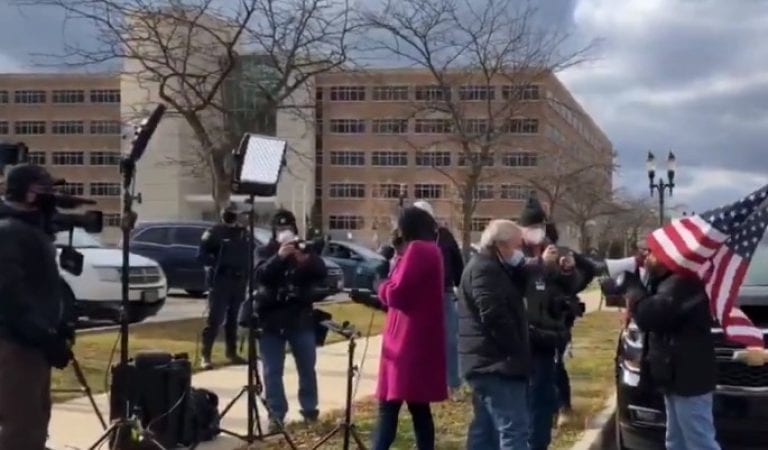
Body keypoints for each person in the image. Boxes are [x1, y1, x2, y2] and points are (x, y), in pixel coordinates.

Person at [0, 164, 73, 449]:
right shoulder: (9, 232)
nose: (52, 196)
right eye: (46, 190)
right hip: (15, 345)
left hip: (33, 344)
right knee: (22, 428)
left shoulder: (31, 230)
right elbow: (9, 297)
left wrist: (61, 323)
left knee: (37, 419)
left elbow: (42, 287)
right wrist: (44, 336)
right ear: (30, 194)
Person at [625, 247, 719, 450]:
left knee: (699, 441)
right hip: (675, 377)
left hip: (689, 379)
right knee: (676, 441)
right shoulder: (666, 282)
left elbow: (649, 315)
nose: (646, 256)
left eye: (651, 252)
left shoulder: (681, 283)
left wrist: (633, 286)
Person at [372, 206, 446, 450]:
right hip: (414, 339)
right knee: (418, 406)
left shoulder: (419, 250)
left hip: (406, 340)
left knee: (389, 406)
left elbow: (397, 293)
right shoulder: (427, 251)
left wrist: (379, 284)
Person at [517, 197, 587, 450]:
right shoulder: (517, 254)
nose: (537, 233)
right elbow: (516, 277)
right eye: (531, 227)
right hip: (526, 333)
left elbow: (574, 284)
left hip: (552, 329)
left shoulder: (556, 251)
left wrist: (567, 270)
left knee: (546, 388)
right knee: (529, 394)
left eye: (540, 226)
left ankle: (548, 428)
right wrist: (539, 264)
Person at [458, 219, 530, 450]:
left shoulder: (494, 268)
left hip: (487, 361)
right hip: (495, 363)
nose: (520, 252)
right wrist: (516, 350)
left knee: (485, 431)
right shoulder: (484, 269)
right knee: (514, 429)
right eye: (518, 246)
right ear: (501, 245)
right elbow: (493, 315)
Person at [254, 209, 327, 429]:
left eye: (288, 228)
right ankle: (276, 414)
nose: (285, 232)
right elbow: (260, 275)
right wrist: (279, 257)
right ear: (274, 231)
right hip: (271, 320)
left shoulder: (303, 250)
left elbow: (321, 272)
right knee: (272, 370)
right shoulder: (264, 251)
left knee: (307, 367)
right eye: (280, 228)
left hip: (299, 318)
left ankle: (309, 410)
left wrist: (304, 259)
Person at [413, 200, 464, 394]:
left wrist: (460, 285)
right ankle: (423, 381)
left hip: (444, 291)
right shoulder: (410, 239)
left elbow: (457, 263)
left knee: (450, 338)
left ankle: (453, 383)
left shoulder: (444, 236)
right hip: (419, 295)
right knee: (420, 339)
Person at [197, 204, 249, 370]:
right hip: (221, 281)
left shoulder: (242, 233)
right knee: (215, 319)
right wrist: (217, 264)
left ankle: (231, 353)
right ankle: (205, 355)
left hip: (238, 281)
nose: (233, 218)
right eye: (230, 214)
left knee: (233, 319)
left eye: (235, 215)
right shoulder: (214, 233)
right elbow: (201, 256)